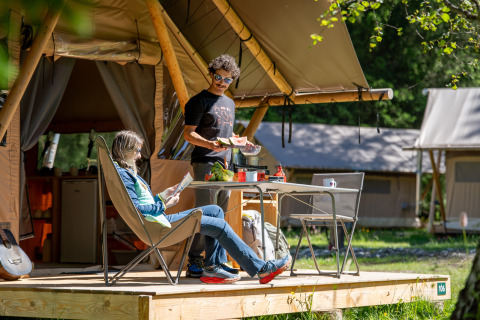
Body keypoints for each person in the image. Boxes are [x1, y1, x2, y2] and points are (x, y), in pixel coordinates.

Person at [111, 130, 291, 284]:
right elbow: (138, 210)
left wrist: (165, 194)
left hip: (158, 221)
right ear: (125, 150)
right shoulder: (124, 176)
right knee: (218, 225)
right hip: (157, 226)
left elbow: (144, 203)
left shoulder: (125, 173)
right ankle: (261, 268)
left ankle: (213, 266)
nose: (140, 155)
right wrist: (164, 204)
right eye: (137, 151)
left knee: (215, 210)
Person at [183, 54, 249, 278]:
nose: (222, 82)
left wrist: (240, 142)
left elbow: (226, 134)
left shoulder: (230, 103)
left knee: (221, 216)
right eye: (219, 77)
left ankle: (217, 262)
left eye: (228, 79)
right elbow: (188, 134)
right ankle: (196, 260)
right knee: (204, 215)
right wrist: (208, 143)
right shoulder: (198, 101)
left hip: (225, 165)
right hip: (204, 163)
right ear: (211, 74)